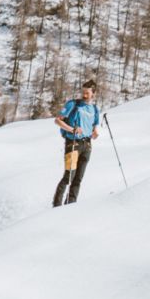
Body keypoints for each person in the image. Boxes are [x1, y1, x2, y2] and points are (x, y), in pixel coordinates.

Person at [52, 79, 101, 207]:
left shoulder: (95, 109)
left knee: (78, 179)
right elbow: (57, 121)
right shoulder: (73, 104)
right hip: (73, 143)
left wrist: (95, 132)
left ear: (93, 94)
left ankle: (70, 206)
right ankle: (56, 206)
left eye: (87, 93)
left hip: (87, 145)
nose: (84, 95)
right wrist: (72, 129)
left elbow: (94, 125)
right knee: (69, 176)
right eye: (83, 92)